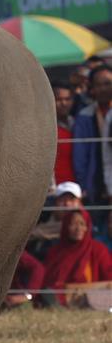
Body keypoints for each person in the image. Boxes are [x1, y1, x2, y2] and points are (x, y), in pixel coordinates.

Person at [41, 208, 112, 306]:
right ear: (66, 226)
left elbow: (108, 278)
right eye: (73, 224)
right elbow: (47, 281)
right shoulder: (55, 252)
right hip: (59, 298)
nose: (78, 228)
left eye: (82, 224)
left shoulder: (98, 250)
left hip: (89, 296)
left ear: (87, 227)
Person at [72, 64, 112, 225]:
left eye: (107, 83)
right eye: (99, 84)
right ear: (92, 88)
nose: (103, 89)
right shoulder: (84, 116)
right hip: (95, 189)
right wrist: (84, 185)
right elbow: (80, 157)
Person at [51, 81, 76, 185]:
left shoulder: (78, 124)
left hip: (78, 187)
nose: (64, 103)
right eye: (58, 99)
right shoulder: (49, 129)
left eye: (67, 99)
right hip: (56, 188)